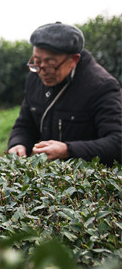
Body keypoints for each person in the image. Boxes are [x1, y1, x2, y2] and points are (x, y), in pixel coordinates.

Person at [7, 22, 121, 165]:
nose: (43, 71)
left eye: (51, 63)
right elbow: (25, 124)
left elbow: (117, 142)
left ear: (74, 60)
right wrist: (18, 143)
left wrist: (68, 150)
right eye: (37, 61)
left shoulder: (101, 86)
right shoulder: (34, 78)